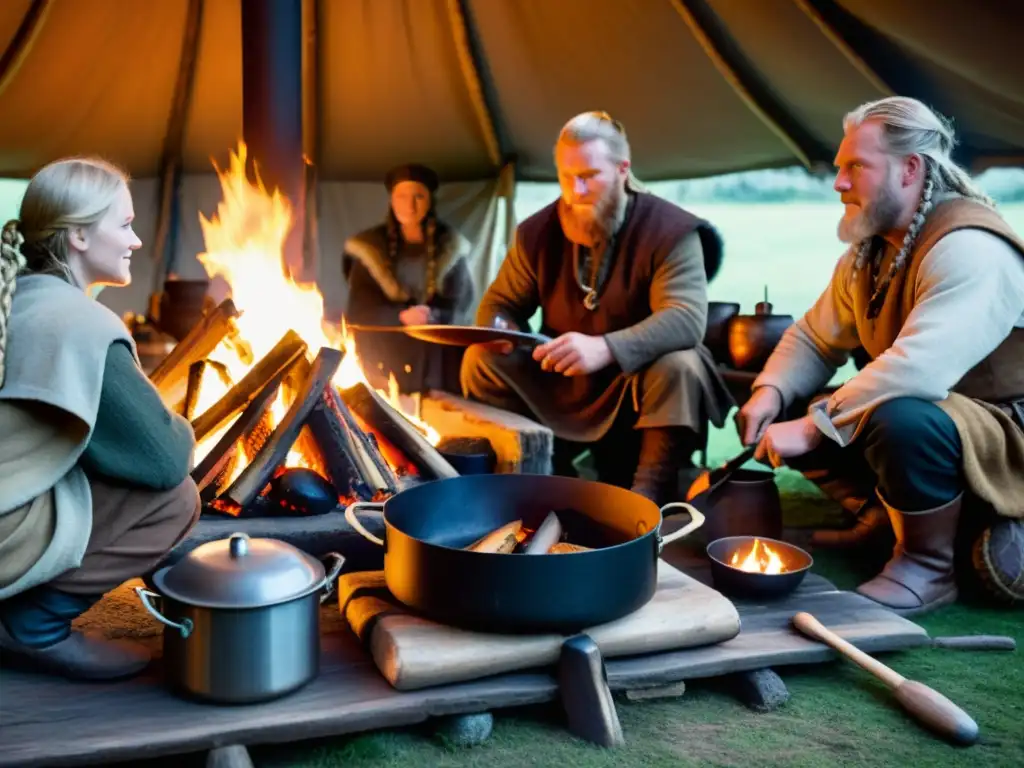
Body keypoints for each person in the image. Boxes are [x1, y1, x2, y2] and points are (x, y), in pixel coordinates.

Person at [736, 96, 1024, 615]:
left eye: (855, 167)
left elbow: (921, 368)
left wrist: (811, 425)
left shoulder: (971, 246)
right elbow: (815, 338)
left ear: (910, 169)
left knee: (893, 417)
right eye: (840, 168)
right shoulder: (870, 252)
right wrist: (770, 392)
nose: (839, 183)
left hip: (1008, 436)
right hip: (947, 420)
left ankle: (928, 566)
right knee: (828, 407)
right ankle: (881, 520)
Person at [460, 112, 734, 505]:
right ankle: (540, 480)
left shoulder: (670, 230)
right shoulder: (537, 233)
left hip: (637, 381)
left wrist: (604, 347)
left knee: (681, 363)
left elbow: (686, 318)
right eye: (566, 177)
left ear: (623, 169)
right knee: (480, 360)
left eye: (589, 175)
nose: (576, 189)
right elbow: (499, 304)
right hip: (563, 376)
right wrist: (503, 331)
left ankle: (647, 496)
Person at [0, 157, 201, 680]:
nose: (135, 241)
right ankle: (31, 625)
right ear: (81, 237)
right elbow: (164, 460)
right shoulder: (81, 324)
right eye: (126, 225)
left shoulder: (19, 296)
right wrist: (179, 422)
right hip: (5, 529)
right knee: (176, 498)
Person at [342, 163, 475, 394]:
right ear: (392, 200)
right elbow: (359, 309)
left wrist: (432, 316)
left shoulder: (451, 248)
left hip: (434, 349)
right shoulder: (370, 248)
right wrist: (401, 316)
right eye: (402, 196)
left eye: (419, 196)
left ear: (430, 201)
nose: (410, 206)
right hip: (386, 343)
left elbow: (460, 306)